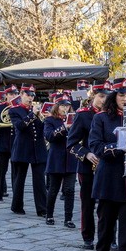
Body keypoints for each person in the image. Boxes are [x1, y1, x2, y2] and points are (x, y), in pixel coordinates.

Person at [88, 77, 126, 251]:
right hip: (109, 175)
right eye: (121, 95)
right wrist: (116, 148)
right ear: (114, 96)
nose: (125, 99)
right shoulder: (101, 118)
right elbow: (95, 145)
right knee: (106, 219)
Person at [67, 83, 108, 249]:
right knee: (87, 204)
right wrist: (86, 154)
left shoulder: (112, 115)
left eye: (107, 97)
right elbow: (71, 143)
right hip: (88, 166)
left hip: (108, 165)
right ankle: (88, 237)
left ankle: (109, 238)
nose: (103, 100)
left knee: (108, 205)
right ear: (94, 96)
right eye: (101, 96)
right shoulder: (83, 115)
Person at [9, 85, 48, 216]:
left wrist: (46, 118)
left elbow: (42, 130)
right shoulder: (14, 110)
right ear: (21, 94)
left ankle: (42, 209)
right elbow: (20, 126)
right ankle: (17, 206)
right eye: (28, 95)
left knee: (40, 180)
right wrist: (33, 115)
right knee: (19, 179)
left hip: (38, 148)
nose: (30, 98)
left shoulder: (37, 110)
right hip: (23, 148)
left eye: (32, 95)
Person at [43, 96, 77, 227]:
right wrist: (64, 127)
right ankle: (49, 215)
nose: (65, 108)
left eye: (67, 106)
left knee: (70, 190)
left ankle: (68, 218)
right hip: (56, 158)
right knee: (53, 189)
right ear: (57, 106)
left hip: (71, 159)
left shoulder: (75, 119)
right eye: (62, 106)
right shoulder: (50, 120)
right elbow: (49, 136)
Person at [0, 87, 17, 202]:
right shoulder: (0, 107)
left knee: (16, 171)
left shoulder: (19, 108)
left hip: (15, 142)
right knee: (1, 170)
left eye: (15, 94)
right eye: (10, 94)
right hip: (2, 141)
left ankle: (16, 195)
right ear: (6, 95)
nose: (13, 96)